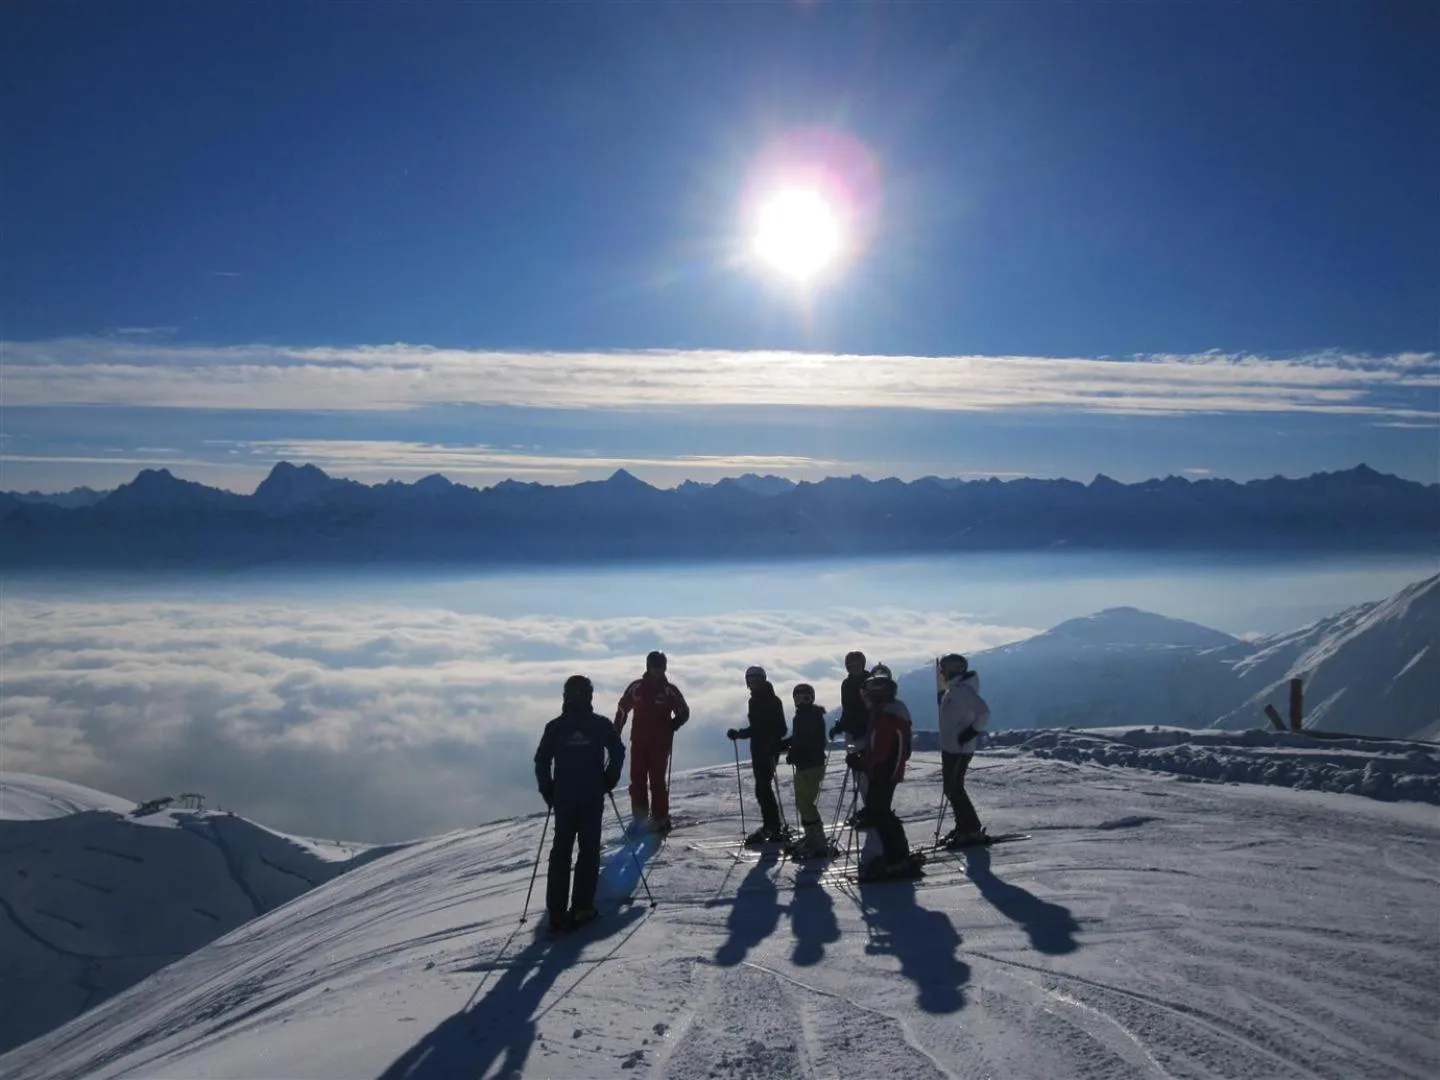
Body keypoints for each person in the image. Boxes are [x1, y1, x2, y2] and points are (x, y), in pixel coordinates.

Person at [534, 674, 626, 933]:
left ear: (565, 697)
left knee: (561, 852)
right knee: (588, 851)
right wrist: (610, 778)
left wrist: (548, 790)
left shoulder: (556, 726)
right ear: (589, 696)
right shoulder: (599, 724)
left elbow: (541, 761)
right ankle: (582, 907)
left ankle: (557, 912)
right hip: (591, 796)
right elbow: (618, 751)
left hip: (564, 798)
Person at [846, 667, 914, 880]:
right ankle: (897, 855)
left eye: (867, 696)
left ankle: (897, 858)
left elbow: (882, 752)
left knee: (880, 814)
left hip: (885, 771)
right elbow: (876, 744)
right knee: (880, 813)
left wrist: (861, 762)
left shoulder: (887, 718)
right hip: (885, 770)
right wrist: (861, 751)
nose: (865, 700)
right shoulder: (885, 714)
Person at [614, 650, 690, 833]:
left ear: (665, 668)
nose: (657, 670)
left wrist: (673, 724)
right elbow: (622, 709)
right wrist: (615, 733)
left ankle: (660, 818)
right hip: (639, 742)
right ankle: (639, 818)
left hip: (660, 743)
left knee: (657, 781)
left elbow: (684, 711)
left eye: (660, 666)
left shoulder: (669, 690)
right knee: (637, 780)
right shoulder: (637, 688)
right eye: (654, 666)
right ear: (648, 666)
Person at [726, 665, 788, 845]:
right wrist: (742, 734)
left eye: (756, 680)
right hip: (760, 749)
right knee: (763, 789)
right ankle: (772, 826)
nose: (753, 684)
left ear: (763, 680)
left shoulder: (770, 701)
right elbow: (760, 728)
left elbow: (778, 728)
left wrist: (742, 734)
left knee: (763, 788)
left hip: (767, 749)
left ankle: (773, 826)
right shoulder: (756, 700)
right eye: (750, 681)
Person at [937, 653, 990, 846]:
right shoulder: (955, 690)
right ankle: (963, 826)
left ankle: (971, 828)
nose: (941, 673)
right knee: (951, 788)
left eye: (944, 669)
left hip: (960, 748)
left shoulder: (963, 691)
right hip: (952, 747)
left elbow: (984, 712)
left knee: (954, 788)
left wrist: (970, 733)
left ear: (953, 670)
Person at [780, 683, 830, 858]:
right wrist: (786, 745)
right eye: (798, 698)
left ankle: (818, 841)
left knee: (805, 804)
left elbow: (813, 743)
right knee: (802, 802)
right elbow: (799, 737)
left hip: (811, 766)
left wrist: (796, 754)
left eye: (806, 698)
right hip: (805, 766)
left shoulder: (812, 717)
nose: (802, 702)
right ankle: (812, 837)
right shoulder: (801, 717)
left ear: (812, 699)